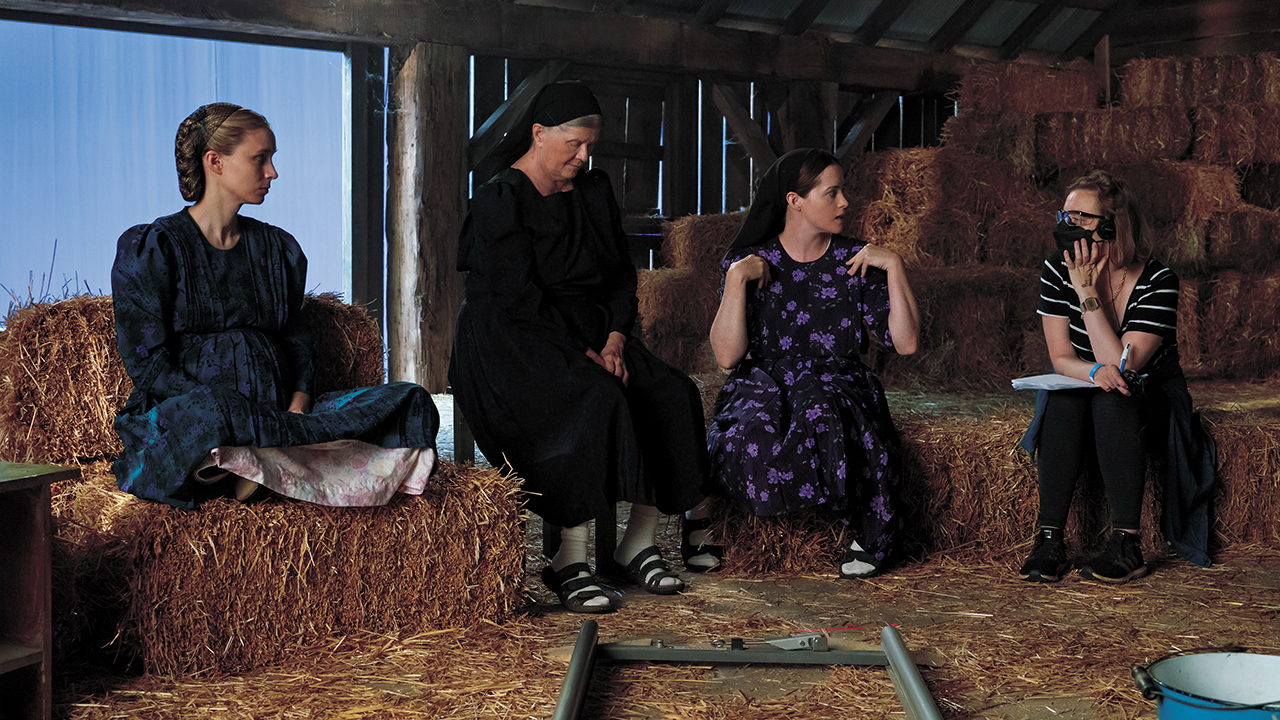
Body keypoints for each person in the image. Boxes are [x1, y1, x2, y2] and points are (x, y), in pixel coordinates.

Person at [450, 81, 709, 613]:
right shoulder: (500, 198)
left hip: (595, 331)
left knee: (671, 392)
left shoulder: (594, 191)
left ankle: (635, 544)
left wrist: (615, 337)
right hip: (511, 337)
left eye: (591, 145)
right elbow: (517, 296)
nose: (585, 155)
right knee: (593, 398)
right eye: (574, 144)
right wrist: (585, 352)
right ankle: (568, 560)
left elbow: (620, 276)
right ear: (539, 134)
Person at [112, 103, 440, 509]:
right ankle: (278, 462)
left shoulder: (276, 249)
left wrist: (299, 402)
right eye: (259, 159)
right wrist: (232, 409)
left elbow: (296, 340)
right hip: (204, 417)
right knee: (209, 416)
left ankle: (252, 463)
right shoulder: (154, 247)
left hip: (283, 416)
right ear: (215, 162)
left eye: (272, 159)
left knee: (410, 399)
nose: (272, 172)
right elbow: (148, 366)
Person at [695, 148, 920, 579]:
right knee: (749, 429)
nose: (845, 202)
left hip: (836, 377)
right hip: (763, 377)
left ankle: (869, 531)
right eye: (832, 193)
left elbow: (906, 343)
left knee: (826, 413)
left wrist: (894, 266)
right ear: (795, 201)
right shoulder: (749, 261)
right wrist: (735, 280)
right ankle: (702, 519)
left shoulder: (856, 261)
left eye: (843, 192)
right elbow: (727, 357)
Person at [1018, 170, 1216, 584]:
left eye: (1081, 218)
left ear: (1114, 224)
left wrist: (1087, 294)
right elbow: (1060, 358)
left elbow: (1125, 367)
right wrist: (1093, 372)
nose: (1066, 227)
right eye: (1064, 215)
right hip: (1086, 382)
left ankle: (1127, 543)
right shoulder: (1058, 269)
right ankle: (1049, 539)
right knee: (1066, 396)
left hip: (1151, 394)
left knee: (1113, 395)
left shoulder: (1159, 280)